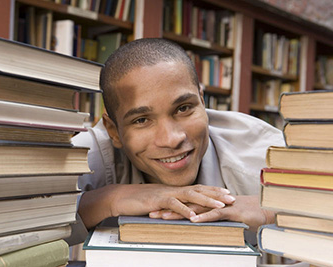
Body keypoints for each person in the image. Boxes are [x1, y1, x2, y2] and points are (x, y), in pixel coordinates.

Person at [71, 38, 285, 243]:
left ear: (202, 101)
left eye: (183, 109)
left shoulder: (266, 156)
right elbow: (36, 222)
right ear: (113, 131)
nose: (172, 139)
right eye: (141, 120)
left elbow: (319, 207)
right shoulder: (85, 156)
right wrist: (109, 200)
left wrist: (270, 212)